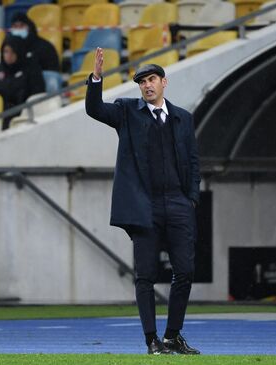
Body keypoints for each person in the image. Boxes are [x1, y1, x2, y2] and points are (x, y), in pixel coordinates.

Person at [85, 48, 201, 355]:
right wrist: (96, 78)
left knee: (186, 271)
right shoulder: (126, 111)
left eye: (151, 79)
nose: (146, 85)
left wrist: (191, 199)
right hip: (144, 206)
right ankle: (151, 340)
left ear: (164, 82)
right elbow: (94, 109)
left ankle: (172, 336)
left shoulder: (183, 119)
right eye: (141, 82)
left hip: (178, 203)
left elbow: (193, 161)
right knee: (145, 275)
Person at [0, 35, 46, 130]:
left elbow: (37, 96)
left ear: (19, 52)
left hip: (25, 118)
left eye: (12, 52)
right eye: (6, 51)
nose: (8, 56)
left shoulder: (32, 69)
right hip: (0, 118)